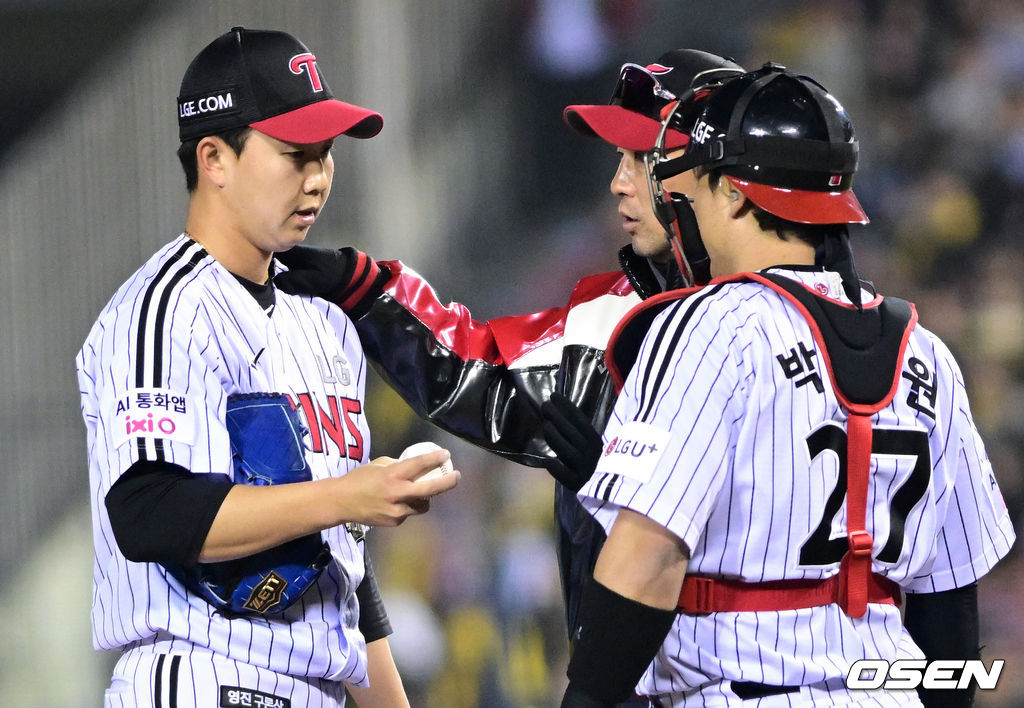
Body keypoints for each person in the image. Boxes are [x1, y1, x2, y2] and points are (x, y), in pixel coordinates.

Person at [559, 63, 1017, 708]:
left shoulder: (707, 326)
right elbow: (950, 618)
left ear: (737, 192)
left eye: (700, 179)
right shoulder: (928, 352)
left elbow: (645, 564)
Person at [275, 52, 745, 657]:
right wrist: (368, 290)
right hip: (630, 680)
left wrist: (628, 492)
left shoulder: (800, 324)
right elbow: (475, 370)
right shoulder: (608, 319)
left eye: (641, 158)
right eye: (619, 158)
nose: (619, 181)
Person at [76, 27, 459, 707]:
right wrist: (346, 496)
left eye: (326, 154)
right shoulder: (167, 309)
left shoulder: (324, 319)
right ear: (215, 158)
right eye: (294, 154)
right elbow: (148, 511)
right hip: (199, 673)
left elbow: (340, 571)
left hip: (315, 685)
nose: (317, 177)